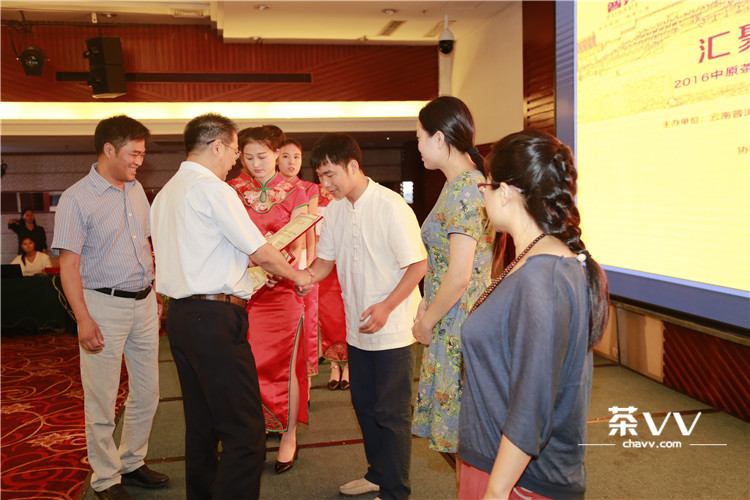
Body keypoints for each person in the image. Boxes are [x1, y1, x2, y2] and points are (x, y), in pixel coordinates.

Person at [150, 113, 312, 499]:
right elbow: (261, 250)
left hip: (182, 318)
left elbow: (207, 253)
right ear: (217, 146)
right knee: (245, 432)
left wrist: (254, 272)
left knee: (202, 426)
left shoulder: (165, 193)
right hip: (215, 320)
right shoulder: (214, 189)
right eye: (236, 152)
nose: (237, 161)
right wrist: (296, 275)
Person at [457, 130, 610, 500]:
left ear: (507, 192)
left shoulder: (543, 276)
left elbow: (532, 404)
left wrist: (495, 491)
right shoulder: (534, 261)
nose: (482, 192)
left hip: (516, 478)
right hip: (499, 464)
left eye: (487, 185)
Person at [299, 133, 427, 500]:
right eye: (320, 176)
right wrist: (302, 277)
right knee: (365, 407)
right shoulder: (336, 208)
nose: (324, 185)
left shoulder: (390, 206)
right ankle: (377, 474)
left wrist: (387, 306)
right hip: (358, 330)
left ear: (353, 166)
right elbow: (325, 261)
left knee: (393, 413)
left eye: (330, 175)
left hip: (393, 332)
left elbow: (418, 265)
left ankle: (395, 491)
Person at [52, 115, 169, 500]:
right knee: (101, 397)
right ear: (108, 149)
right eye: (133, 154)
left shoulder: (135, 189)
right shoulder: (77, 198)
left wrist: (157, 291)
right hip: (102, 305)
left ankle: (132, 461)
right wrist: (83, 318)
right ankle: (105, 478)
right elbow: (68, 265)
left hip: (144, 302)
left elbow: (145, 245)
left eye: (142, 154)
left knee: (148, 391)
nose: (139, 161)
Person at [411, 97, 494, 466]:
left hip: (458, 324)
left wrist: (426, 322)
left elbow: (460, 276)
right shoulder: (459, 185)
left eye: (419, 138)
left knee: (462, 443)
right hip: (451, 319)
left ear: (440, 139)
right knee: (457, 441)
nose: (418, 147)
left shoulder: (464, 190)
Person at [227, 126, 309, 474]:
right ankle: (256, 429)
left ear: (277, 153)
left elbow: (300, 241)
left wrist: (281, 268)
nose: (256, 164)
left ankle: (288, 434)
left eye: (263, 156)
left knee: (285, 366)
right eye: (248, 157)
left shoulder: (297, 191)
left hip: (282, 291)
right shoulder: (231, 190)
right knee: (244, 368)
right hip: (245, 291)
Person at [278, 137, 324, 394]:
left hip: (302, 257)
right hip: (272, 259)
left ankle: (302, 389)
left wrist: (311, 265)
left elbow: (310, 229)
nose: (291, 162)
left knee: (305, 320)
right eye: (285, 156)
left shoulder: (308, 188)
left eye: (296, 156)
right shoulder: (268, 189)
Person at [316, 185, 349, 390]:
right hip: (324, 268)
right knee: (328, 319)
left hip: (346, 266)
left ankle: (349, 366)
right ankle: (334, 366)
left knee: (348, 316)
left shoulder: (349, 196)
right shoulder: (312, 195)